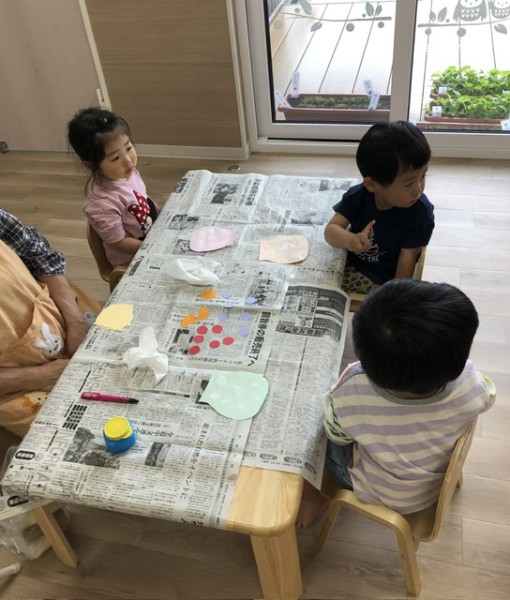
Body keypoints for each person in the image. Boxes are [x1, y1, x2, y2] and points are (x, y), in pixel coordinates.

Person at [297, 279, 495, 527]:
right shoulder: (472, 382)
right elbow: (488, 398)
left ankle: (315, 496)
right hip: (434, 484)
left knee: (313, 433)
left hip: (378, 491)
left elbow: (337, 435)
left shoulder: (354, 387)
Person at [0, 207, 100, 437]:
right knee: (86, 431)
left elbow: (40, 254)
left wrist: (75, 322)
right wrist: (39, 375)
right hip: (14, 384)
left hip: (60, 316)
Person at [325, 121, 434, 294]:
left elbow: (407, 261)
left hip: (380, 279)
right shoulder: (358, 196)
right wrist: (350, 240)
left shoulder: (420, 213)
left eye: (423, 175)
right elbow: (331, 230)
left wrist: (393, 297)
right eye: (408, 183)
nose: (419, 189)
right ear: (371, 184)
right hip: (345, 261)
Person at [67, 107, 160, 267]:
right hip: (131, 261)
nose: (128, 160)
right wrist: (153, 247)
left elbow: (144, 200)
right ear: (90, 165)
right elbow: (118, 242)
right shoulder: (101, 203)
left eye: (129, 148)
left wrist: (163, 212)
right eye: (115, 158)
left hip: (151, 236)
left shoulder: (127, 172)